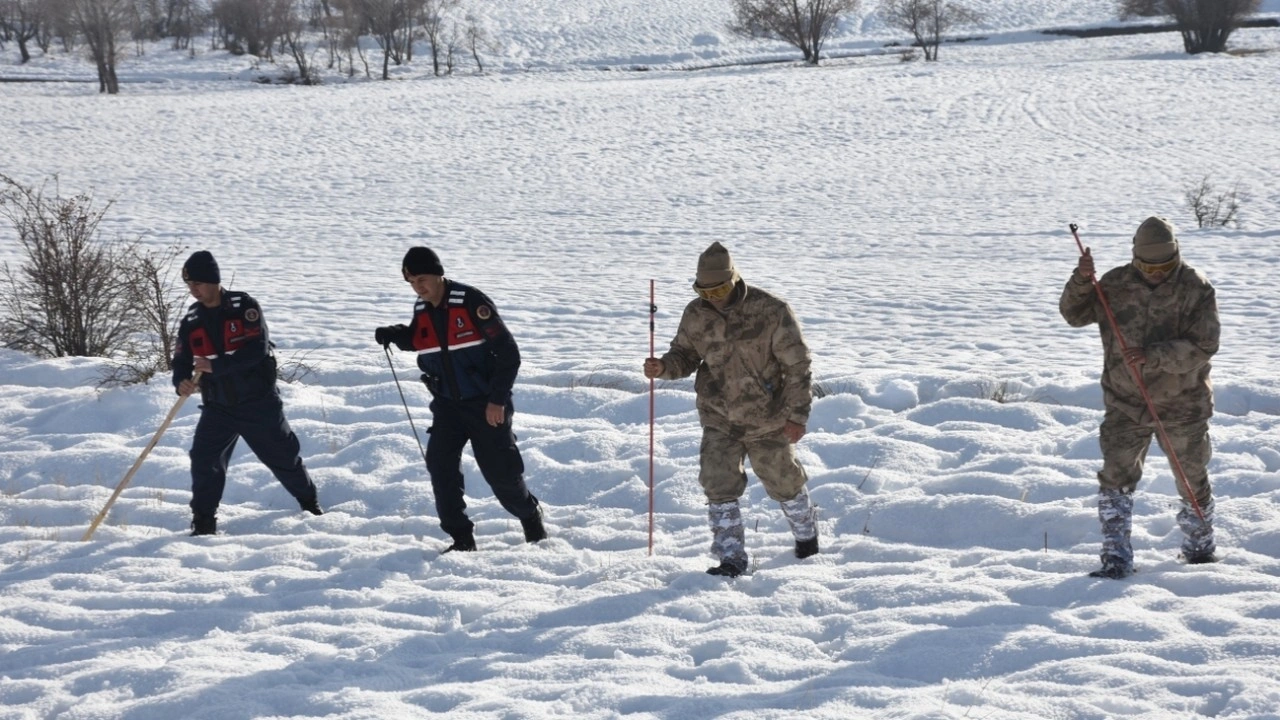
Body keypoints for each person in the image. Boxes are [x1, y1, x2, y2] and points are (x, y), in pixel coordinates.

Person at [644, 241, 818, 578]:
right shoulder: (696, 314)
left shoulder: (771, 311)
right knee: (717, 483)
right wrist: (663, 367)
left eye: (720, 290)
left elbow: (798, 367)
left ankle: (806, 536)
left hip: (768, 418)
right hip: (719, 416)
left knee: (784, 482)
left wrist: (797, 415)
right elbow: (685, 355)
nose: (713, 297)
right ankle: (731, 558)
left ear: (734, 280)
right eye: (704, 291)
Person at [1060, 217, 1220, 579]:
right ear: (1135, 258)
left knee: (1192, 476)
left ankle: (1199, 550)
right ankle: (1116, 557)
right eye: (1148, 267)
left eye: (1165, 265)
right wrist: (1082, 281)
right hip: (1125, 402)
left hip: (1183, 405)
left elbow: (1205, 344)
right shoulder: (1115, 283)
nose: (1157, 274)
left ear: (1176, 255)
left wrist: (1154, 355)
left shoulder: (1196, 288)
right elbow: (1074, 314)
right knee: (1115, 478)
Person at [375, 247, 546, 553]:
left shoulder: (470, 302)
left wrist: (497, 400)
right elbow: (420, 338)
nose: (417, 287)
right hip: (447, 406)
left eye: (422, 279)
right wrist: (395, 334)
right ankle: (461, 538)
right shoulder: (422, 308)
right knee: (440, 468)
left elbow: (509, 353)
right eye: (411, 282)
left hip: (485, 404)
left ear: (438, 275)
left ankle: (529, 514)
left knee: (501, 475)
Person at [172, 250, 322, 536]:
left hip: (257, 403)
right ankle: (203, 522)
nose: (193, 290)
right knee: (203, 460)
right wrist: (181, 382)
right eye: (189, 285)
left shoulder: (244, 307)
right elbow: (180, 361)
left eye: (198, 284)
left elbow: (257, 349)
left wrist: (217, 366)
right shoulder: (192, 320)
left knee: (283, 457)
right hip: (218, 407)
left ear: (214, 281)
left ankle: (309, 503)